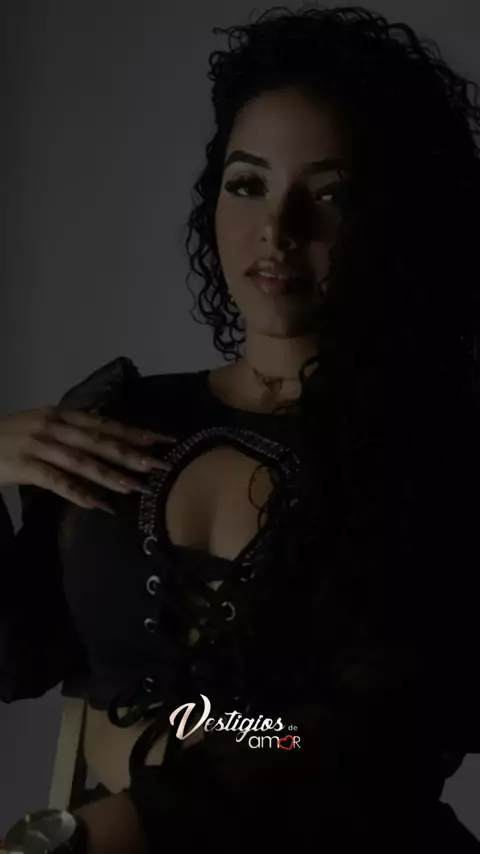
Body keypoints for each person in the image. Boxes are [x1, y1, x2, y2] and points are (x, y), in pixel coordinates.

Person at [1, 5, 480, 852]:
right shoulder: (115, 415)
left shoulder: (437, 451)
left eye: (331, 195)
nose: (277, 231)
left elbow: (352, 736)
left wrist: (110, 829)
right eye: (247, 183)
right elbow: (15, 656)